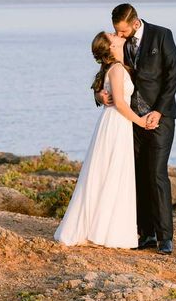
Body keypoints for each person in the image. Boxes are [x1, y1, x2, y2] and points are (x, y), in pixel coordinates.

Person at [96, 4, 176, 255]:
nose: (118, 36)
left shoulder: (162, 35)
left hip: (159, 118)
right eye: (116, 32)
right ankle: (146, 234)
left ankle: (166, 237)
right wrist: (101, 95)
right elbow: (105, 73)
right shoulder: (118, 46)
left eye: (122, 31)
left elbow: (172, 76)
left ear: (134, 23)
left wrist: (159, 111)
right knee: (137, 175)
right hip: (128, 121)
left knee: (156, 174)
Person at [54, 32, 147, 248]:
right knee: (109, 172)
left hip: (117, 123)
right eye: (113, 35)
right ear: (111, 46)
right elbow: (121, 104)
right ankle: (97, 230)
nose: (117, 34)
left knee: (109, 173)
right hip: (116, 122)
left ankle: (103, 229)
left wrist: (100, 95)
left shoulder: (114, 67)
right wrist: (141, 122)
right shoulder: (115, 69)